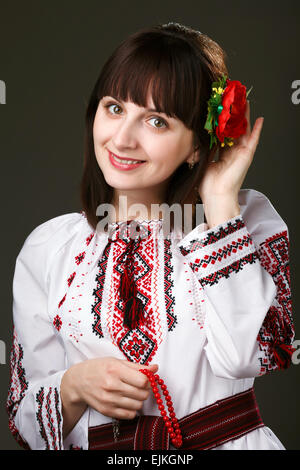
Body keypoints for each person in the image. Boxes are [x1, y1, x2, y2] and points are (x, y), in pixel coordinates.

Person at [6, 22, 295, 450]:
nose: (121, 139)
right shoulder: (50, 249)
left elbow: (242, 357)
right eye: (115, 108)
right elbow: (26, 426)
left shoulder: (243, 222)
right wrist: (73, 386)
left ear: (197, 144)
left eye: (156, 121)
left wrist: (218, 202)